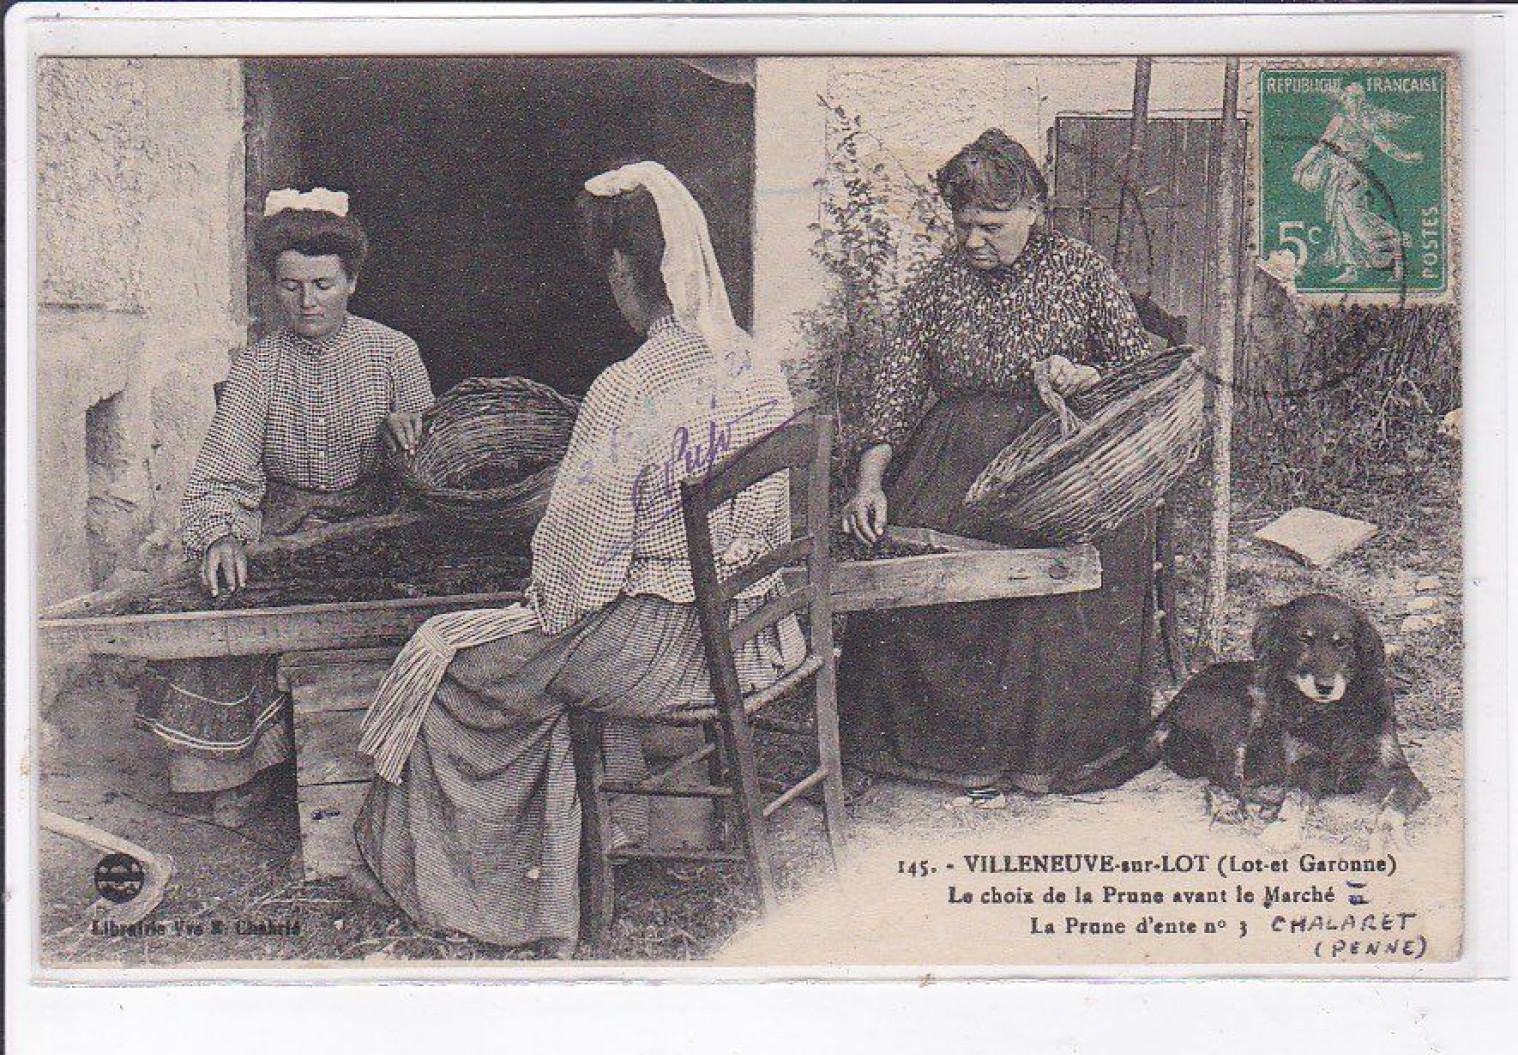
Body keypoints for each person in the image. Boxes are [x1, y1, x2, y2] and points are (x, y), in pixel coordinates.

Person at [356, 161, 802, 953]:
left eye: (611, 274)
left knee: (458, 666)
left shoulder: (626, 390)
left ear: (628, 272)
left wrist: (530, 602)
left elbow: (577, 578)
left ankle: (485, 897)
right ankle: (563, 880)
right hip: (752, 630)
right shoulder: (754, 363)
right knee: (538, 664)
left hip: (666, 646)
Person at [837, 128, 1154, 797]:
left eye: (991, 225)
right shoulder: (934, 288)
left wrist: (1084, 375)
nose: (973, 241)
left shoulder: (1082, 271)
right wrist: (869, 481)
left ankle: (1042, 751)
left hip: (1058, 460)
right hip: (952, 458)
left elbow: (1138, 371)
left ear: (1034, 208)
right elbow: (893, 391)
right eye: (964, 226)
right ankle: (930, 749)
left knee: (1056, 565)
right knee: (910, 556)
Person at [134, 190, 433, 828]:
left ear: (352, 282)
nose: (308, 302)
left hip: (380, 524)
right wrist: (221, 534)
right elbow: (225, 464)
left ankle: (383, 766)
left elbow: (437, 465)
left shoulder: (394, 353)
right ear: (273, 287)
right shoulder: (257, 367)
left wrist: (408, 440)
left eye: (323, 284)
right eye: (291, 286)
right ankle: (247, 769)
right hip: (288, 525)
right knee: (226, 598)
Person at [1292, 83, 1424, 286]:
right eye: (1348, 98)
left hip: (1351, 177)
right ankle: (1352, 267)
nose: (1350, 102)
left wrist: (1301, 168)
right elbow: (1323, 147)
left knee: (1356, 220)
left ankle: (1396, 240)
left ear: (1359, 101)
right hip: (1339, 176)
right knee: (1342, 220)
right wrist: (1408, 156)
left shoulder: (1349, 121)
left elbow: (1385, 147)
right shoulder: (1349, 121)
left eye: (1354, 99)